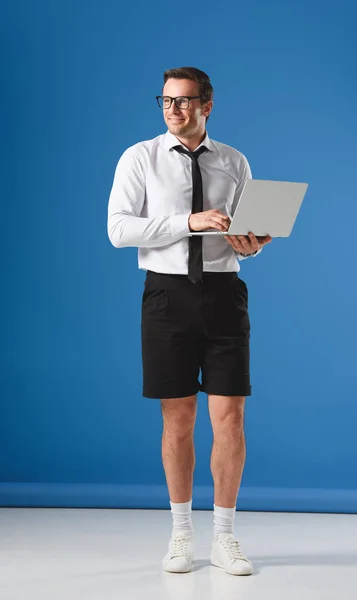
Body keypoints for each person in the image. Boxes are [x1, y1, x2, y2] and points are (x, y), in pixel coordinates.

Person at [107, 66, 272, 576]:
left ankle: (225, 536)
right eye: (166, 101)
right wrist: (188, 222)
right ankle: (181, 535)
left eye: (184, 101)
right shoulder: (141, 157)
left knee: (231, 419)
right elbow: (118, 229)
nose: (174, 110)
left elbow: (245, 230)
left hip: (225, 294)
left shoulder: (233, 161)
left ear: (207, 105)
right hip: (166, 295)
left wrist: (254, 241)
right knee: (177, 420)